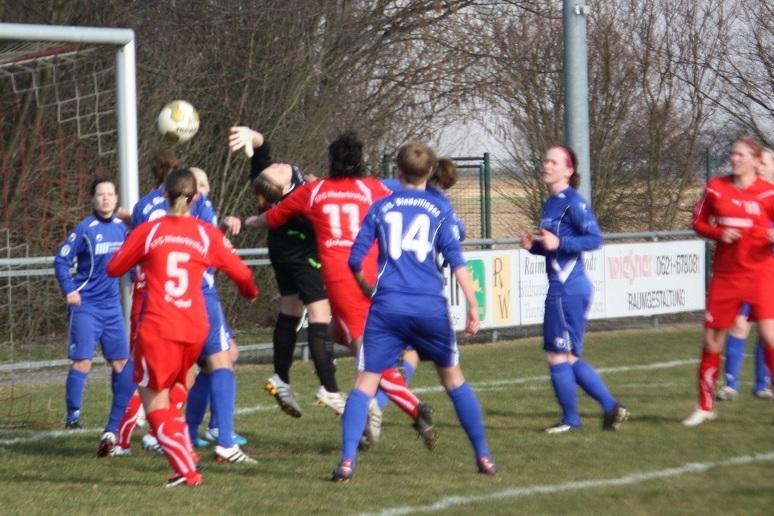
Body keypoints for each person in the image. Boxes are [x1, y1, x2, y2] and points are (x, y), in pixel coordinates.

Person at [242, 130, 437, 449]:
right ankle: (372, 410)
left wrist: (247, 222)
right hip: (373, 276)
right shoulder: (372, 188)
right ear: (359, 163)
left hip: (345, 283)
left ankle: (414, 409)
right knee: (336, 333)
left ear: (332, 162)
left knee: (370, 357)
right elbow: (404, 197)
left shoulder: (315, 191)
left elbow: (272, 218)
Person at [332, 141, 495, 482]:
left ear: (398, 172)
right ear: (429, 173)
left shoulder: (381, 206)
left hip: (387, 306)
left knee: (364, 384)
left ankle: (347, 462)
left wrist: (365, 285)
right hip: (428, 306)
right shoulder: (439, 210)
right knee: (453, 380)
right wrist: (473, 303)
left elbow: (353, 258)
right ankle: (483, 457)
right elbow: (457, 260)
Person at [106, 167, 258, 487]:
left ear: (164, 194)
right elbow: (242, 275)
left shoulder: (149, 231)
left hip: (158, 326)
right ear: (195, 197)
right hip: (194, 328)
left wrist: (144, 259)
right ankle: (186, 456)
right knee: (177, 390)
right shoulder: (205, 233)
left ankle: (187, 471)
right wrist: (250, 293)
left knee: (154, 404)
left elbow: (114, 267)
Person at [229, 126, 343, 418]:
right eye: (276, 172)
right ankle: (329, 389)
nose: (278, 166)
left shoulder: (274, 182)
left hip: (282, 251)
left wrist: (249, 135)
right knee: (320, 317)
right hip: (301, 257)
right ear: (281, 189)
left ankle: (280, 378)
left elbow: (262, 147)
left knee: (290, 311)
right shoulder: (297, 205)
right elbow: (321, 222)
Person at [519, 145, 629, 434]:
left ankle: (571, 420)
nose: (547, 165)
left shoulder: (573, 202)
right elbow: (554, 248)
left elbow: (594, 239)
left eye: (554, 162)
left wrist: (560, 244)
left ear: (569, 170)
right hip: (565, 287)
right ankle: (610, 407)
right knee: (569, 358)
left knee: (557, 356)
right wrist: (535, 247)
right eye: (545, 160)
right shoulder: (551, 203)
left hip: (567, 288)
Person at [684, 138, 774, 426]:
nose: (734, 158)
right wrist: (719, 233)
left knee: (771, 336)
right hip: (725, 276)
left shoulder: (768, 193)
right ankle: (705, 405)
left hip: (760, 273)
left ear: (756, 160)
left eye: (740, 154)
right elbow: (698, 222)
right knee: (712, 340)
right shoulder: (715, 188)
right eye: (732, 153)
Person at [53, 178, 135, 457]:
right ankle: (73, 416)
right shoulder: (85, 229)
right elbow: (61, 260)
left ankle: (118, 416)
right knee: (83, 361)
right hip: (86, 305)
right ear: (93, 199)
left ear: (116, 198)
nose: (105, 199)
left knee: (122, 363)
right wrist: (70, 290)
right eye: (100, 194)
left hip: (112, 307)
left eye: (110, 194)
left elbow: (132, 260)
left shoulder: (122, 229)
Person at [182, 167, 253, 462]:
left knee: (220, 359)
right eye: (195, 184)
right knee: (221, 359)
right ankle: (222, 439)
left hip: (183, 294)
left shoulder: (200, 210)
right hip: (200, 293)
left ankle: (190, 432)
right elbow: (211, 246)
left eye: (204, 184)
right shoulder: (195, 211)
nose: (200, 190)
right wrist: (247, 285)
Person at [716, 147, 774, 401]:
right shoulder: (749, 195)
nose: (760, 166)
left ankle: (762, 385)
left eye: (765, 162)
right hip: (744, 272)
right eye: (758, 161)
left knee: (767, 330)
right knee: (739, 325)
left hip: (767, 274)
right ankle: (730, 385)